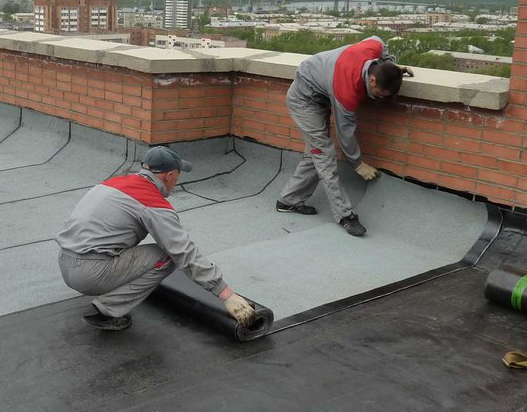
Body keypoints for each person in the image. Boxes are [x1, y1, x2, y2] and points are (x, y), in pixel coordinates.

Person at [56, 146, 256, 331]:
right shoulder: (150, 199)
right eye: (177, 175)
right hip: (90, 274)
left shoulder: (114, 183)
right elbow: (183, 250)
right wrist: (226, 294)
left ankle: (107, 289)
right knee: (168, 255)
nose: (176, 182)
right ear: (169, 175)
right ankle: (109, 310)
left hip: (65, 263)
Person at [274, 36, 413, 237]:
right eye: (380, 94)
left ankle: (288, 200)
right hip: (304, 100)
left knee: (315, 152)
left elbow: (378, 41)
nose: (380, 99)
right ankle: (345, 215)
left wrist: (391, 66)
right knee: (324, 155)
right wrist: (357, 163)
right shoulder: (347, 89)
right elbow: (345, 132)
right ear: (372, 80)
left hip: (320, 91)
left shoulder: (372, 48)